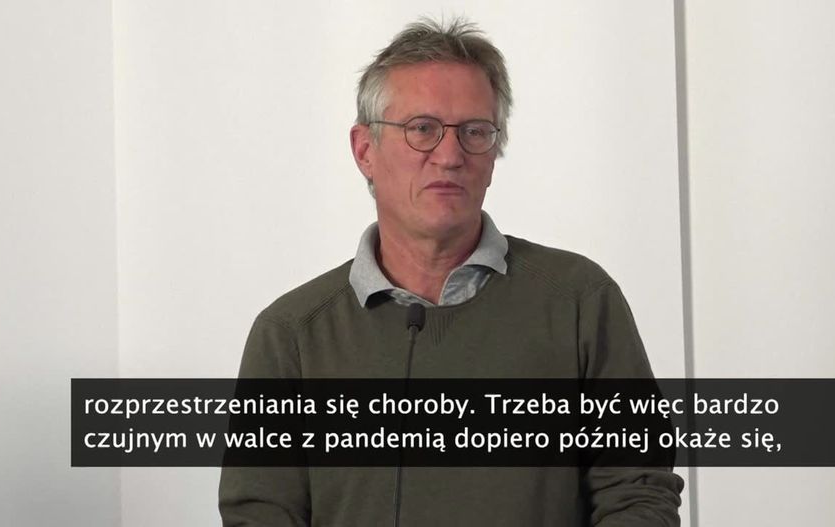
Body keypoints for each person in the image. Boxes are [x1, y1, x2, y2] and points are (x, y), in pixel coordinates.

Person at [220, 16, 683, 526]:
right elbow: (260, 515)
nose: (449, 155)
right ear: (365, 150)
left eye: (473, 132)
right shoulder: (292, 335)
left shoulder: (580, 302)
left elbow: (638, 494)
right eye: (422, 129)